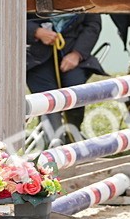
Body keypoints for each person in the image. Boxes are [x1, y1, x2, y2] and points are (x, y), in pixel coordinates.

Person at [26, 14, 106, 144]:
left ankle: (72, 136)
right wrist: (36, 32)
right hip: (36, 57)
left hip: (73, 52)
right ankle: (55, 143)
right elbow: (11, 16)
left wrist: (77, 53)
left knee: (74, 86)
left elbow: (92, 24)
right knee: (46, 95)